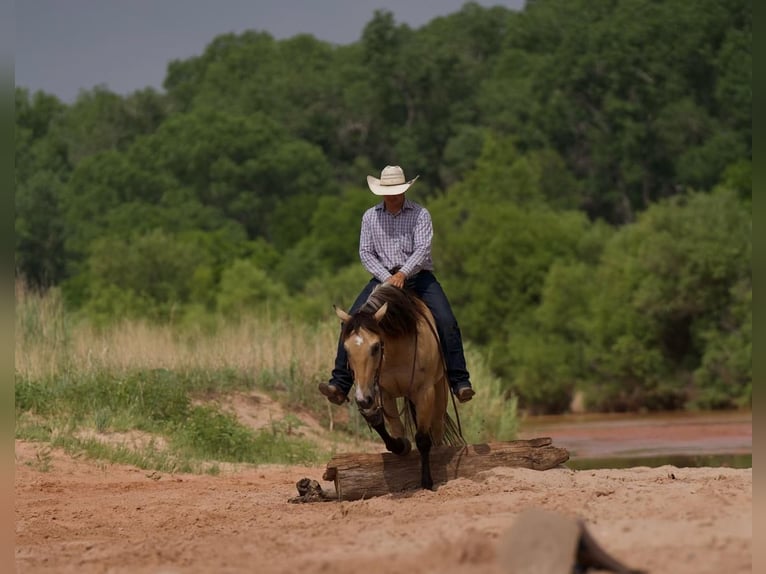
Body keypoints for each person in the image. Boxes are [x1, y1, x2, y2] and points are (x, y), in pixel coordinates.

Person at [318, 165, 475, 405]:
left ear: (404, 191)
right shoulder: (370, 216)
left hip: (418, 277)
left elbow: (422, 249)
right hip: (383, 279)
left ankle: (459, 380)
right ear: (381, 191)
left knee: (446, 320)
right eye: (388, 190)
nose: (393, 195)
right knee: (351, 322)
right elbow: (365, 252)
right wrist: (387, 277)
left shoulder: (420, 214)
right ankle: (340, 383)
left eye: (397, 190)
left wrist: (403, 273)